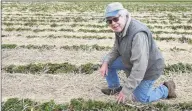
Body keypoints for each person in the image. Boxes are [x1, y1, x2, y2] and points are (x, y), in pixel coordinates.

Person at [99, 2, 176, 104]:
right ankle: (115, 87)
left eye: (115, 18)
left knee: (140, 99)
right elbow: (116, 49)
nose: (113, 23)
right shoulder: (120, 29)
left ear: (125, 16)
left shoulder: (138, 34)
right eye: (109, 21)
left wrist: (126, 90)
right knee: (107, 60)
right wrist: (106, 62)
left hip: (149, 68)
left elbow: (140, 67)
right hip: (131, 61)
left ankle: (166, 89)